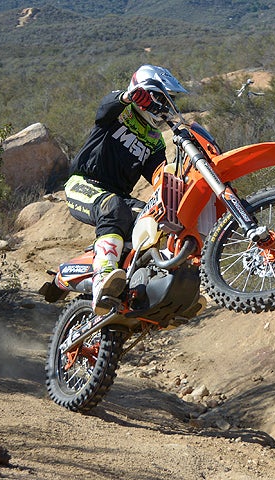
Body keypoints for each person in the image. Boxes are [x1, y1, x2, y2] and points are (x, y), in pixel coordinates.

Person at [64, 65, 187, 315]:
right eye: (163, 99)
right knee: (114, 207)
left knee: (152, 218)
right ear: (147, 93)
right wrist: (128, 97)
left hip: (117, 196)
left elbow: (157, 174)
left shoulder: (154, 139)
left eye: (169, 101)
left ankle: (140, 287)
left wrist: (180, 179)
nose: (165, 106)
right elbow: (105, 108)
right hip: (84, 184)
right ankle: (103, 276)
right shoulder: (120, 111)